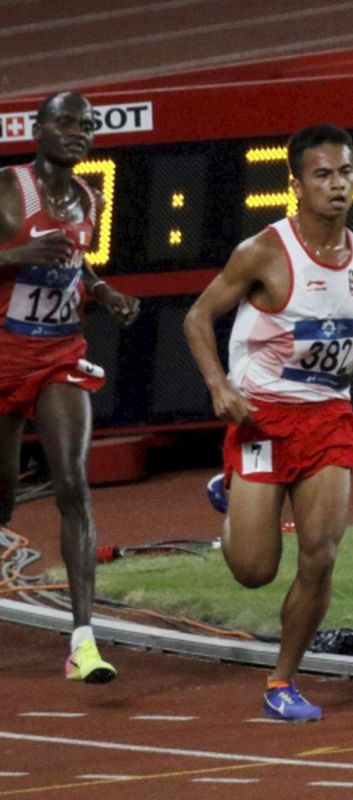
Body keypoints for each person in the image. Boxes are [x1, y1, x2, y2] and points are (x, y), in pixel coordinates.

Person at [183, 124, 353, 722]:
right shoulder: (264, 251)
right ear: (297, 184)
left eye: (346, 174)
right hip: (261, 422)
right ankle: (231, 495)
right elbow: (198, 317)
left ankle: (283, 679)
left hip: (329, 421)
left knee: (321, 556)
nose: (337, 186)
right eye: (322, 175)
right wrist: (218, 386)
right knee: (255, 571)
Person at [0, 91, 140, 684]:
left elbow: (74, 263)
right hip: (4, 353)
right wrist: (16, 253)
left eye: (87, 126)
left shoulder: (89, 197)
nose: (78, 133)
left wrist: (101, 291)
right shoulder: (9, 188)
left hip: (60, 351)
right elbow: (36, 254)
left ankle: (83, 640)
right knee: (2, 499)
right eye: (65, 122)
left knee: (74, 484)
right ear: (37, 129)